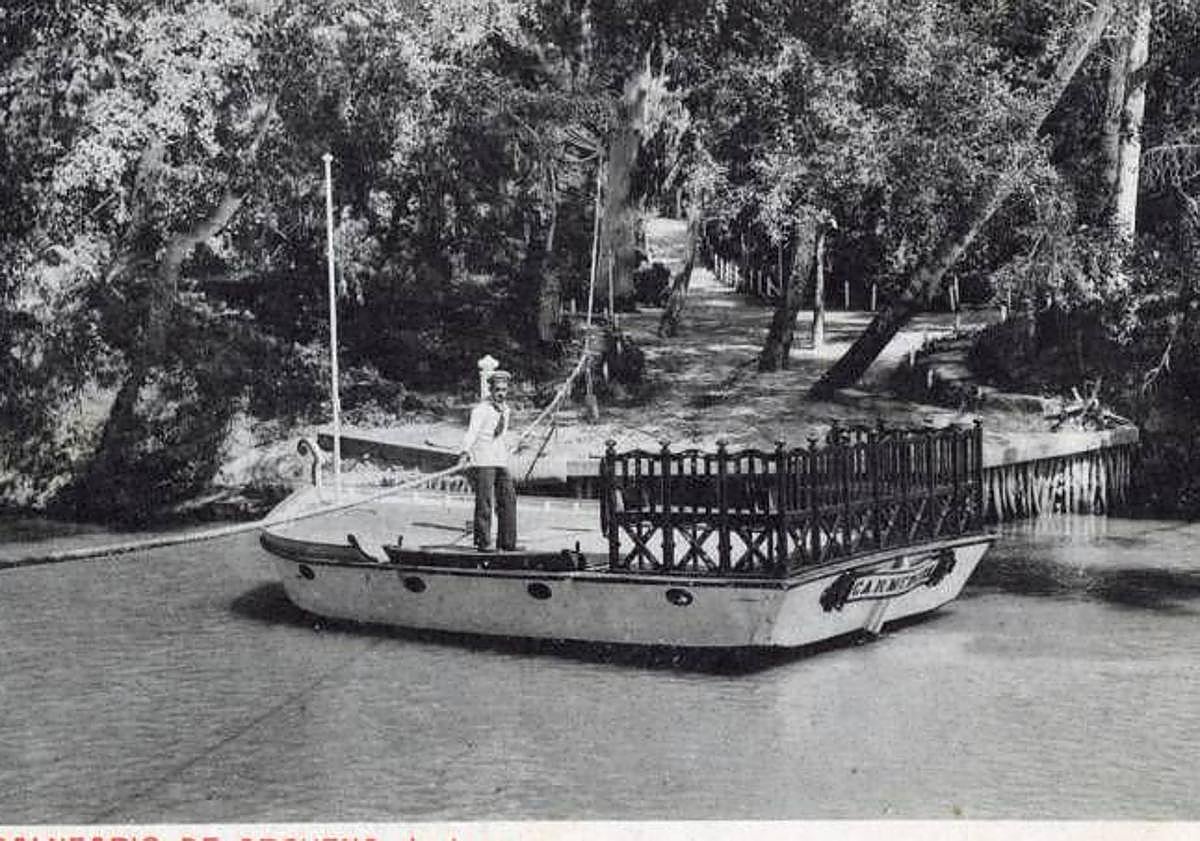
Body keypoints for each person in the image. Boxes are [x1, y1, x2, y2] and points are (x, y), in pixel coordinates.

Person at [457, 369, 517, 552]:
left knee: (508, 498)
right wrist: (464, 452)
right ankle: (483, 542)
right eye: (498, 389)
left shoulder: (506, 410)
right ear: (490, 390)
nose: (501, 393)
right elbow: (472, 433)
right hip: (483, 460)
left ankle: (507, 542)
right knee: (485, 502)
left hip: (500, 459)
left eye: (504, 390)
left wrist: (513, 445)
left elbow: (502, 435)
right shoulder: (480, 410)